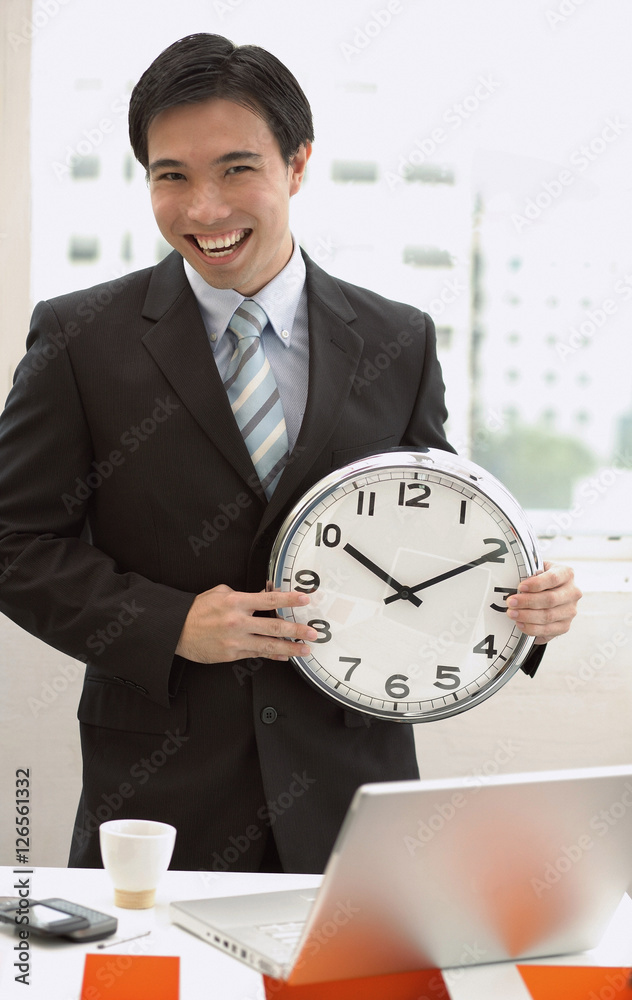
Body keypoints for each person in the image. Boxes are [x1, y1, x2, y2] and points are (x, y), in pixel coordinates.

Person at [0, 34, 581, 874]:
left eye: (237, 169)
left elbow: (441, 522)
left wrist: (527, 607)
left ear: (297, 165)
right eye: (172, 176)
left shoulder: (397, 338)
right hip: (164, 800)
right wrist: (171, 626)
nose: (204, 208)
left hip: (353, 791)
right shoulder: (79, 338)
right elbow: (14, 542)